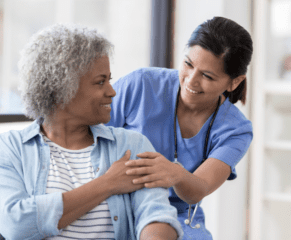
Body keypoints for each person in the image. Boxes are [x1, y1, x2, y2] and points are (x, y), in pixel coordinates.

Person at [0, 23, 183, 240]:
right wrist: (108, 184)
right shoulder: (11, 148)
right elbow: (15, 225)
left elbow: (157, 214)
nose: (112, 91)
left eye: (109, 79)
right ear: (62, 91)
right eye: (100, 82)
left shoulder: (131, 146)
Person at [106, 16, 253, 239]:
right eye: (188, 64)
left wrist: (176, 175)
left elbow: (199, 189)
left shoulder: (236, 130)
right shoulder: (141, 85)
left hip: (179, 217)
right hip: (115, 202)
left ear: (234, 82)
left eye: (207, 76)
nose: (191, 81)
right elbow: (89, 137)